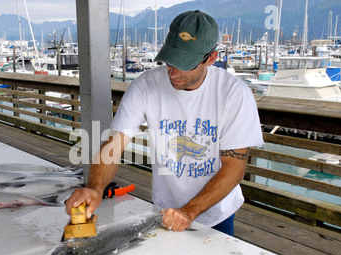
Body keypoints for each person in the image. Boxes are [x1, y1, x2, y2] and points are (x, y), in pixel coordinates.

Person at [65, 10, 264, 236]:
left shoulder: (234, 94)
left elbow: (234, 166)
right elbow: (114, 145)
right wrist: (95, 188)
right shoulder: (145, 86)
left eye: (184, 62)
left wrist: (189, 211)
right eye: (170, 59)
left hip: (215, 214)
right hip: (165, 211)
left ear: (210, 58)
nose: (173, 70)